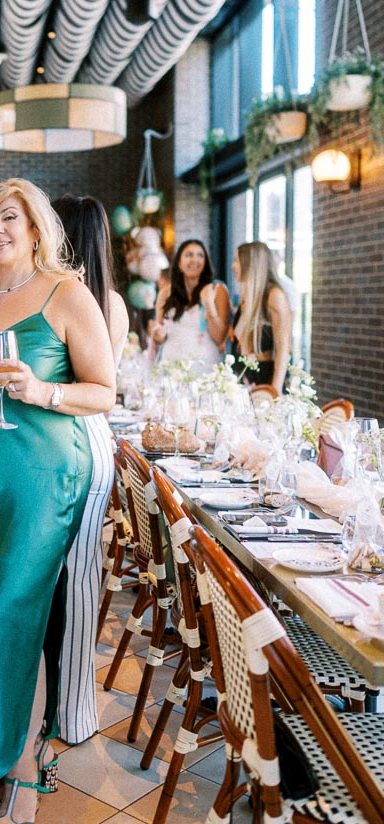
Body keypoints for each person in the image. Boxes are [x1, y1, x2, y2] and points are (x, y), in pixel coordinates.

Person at [0, 179, 115, 824]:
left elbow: (104, 391)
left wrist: (40, 389)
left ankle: (20, 775)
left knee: (10, 619)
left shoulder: (65, 293)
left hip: (44, 478)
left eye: (7, 218)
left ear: (36, 226)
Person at [51, 195, 129, 746]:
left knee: (71, 582)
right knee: (80, 582)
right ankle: (71, 709)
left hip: (75, 437)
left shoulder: (68, 299)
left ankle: (70, 709)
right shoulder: (113, 302)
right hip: (93, 444)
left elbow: (97, 387)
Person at [148, 238, 229, 371]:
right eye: (189, 255)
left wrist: (208, 304)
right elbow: (160, 335)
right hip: (171, 367)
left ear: (205, 262)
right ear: (179, 263)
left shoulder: (217, 289)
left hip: (205, 368)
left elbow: (220, 338)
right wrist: (158, 335)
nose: (194, 260)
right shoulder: (165, 293)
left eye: (200, 255)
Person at [231, 241, 293, 393]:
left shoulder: (274, 296)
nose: (233, 266)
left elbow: (283, 348)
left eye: (237, 261)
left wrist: (274, 391)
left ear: (251, 264)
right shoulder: (247, 297)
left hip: (265, 381)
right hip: (243, 377)